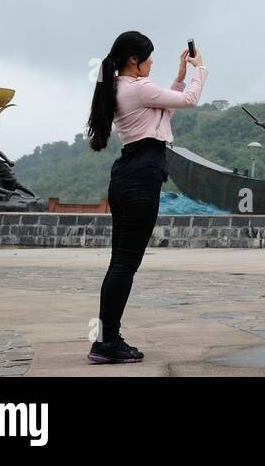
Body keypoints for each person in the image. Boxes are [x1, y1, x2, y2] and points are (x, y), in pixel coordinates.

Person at [84, 30, 206, 364]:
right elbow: (189, 101)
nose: (152, 62)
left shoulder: (122, 88)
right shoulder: (137, 88)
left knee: (119, 262)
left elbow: (164, 110)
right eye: (149, 57)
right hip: (141, 177)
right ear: (134, 60)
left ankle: (106, 339)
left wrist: (180, 77)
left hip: (127, 174)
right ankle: (107, 342)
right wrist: (200, 70)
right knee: (125, 263)